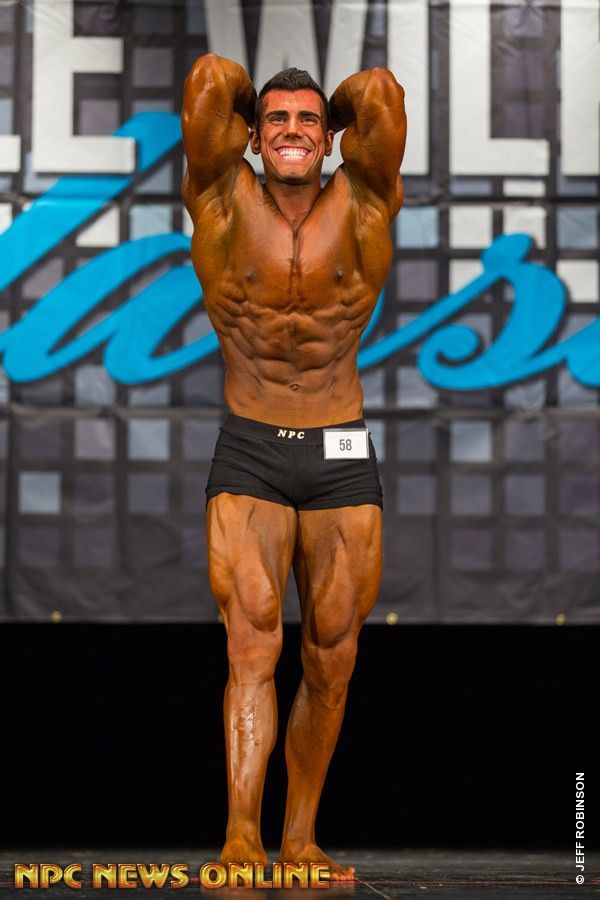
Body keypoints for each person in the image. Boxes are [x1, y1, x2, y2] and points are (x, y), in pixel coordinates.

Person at [182, 53, 406, 880]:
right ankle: (242, 836)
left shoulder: (368, 199)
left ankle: (301, 838)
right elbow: (210, 77)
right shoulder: (219, 196)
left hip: (339, 446)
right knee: (251, 647)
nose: (292, 131)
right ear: (251, 134)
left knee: (333, 655)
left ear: (331, 135)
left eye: (308, 120)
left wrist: (330, 113)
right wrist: (253, 110)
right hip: (252, 448)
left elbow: (379, 91)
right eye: (276, 119)